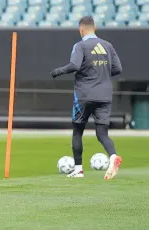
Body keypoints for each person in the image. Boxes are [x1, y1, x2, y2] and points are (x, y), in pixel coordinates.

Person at [50, 16, 123, 180]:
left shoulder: (80, 45)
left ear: (81, 29)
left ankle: (78, 169)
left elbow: (75, 65)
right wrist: (101, 75)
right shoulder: (107, 45)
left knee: (77, 131)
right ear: (95, 28)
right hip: (104, 95)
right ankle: (113, 157)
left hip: (84, 94)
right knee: (102, 133)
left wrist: (58, 71)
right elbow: (118, 68)